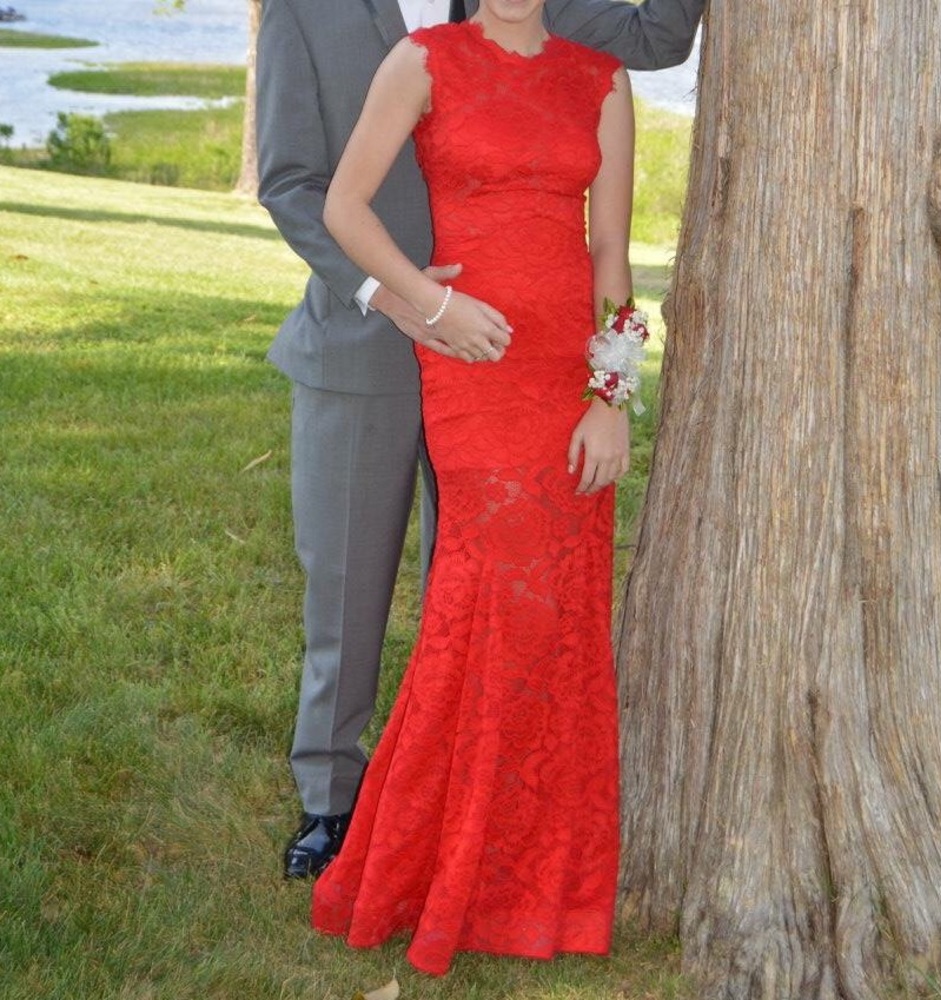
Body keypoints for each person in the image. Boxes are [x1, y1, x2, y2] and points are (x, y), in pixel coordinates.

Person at [256, 0, 704, 881]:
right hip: (370, 335)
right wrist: (401, 298)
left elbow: (654, 41)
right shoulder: (307, 10)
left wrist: (610, 385)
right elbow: (293, 182)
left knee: (477, 595)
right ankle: (332, 800)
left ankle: (456, 797)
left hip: (514, 365)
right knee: (346, 586)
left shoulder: (536, 8)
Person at [310, 0, 641, 974]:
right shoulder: (424, 59)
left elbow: (611, 252)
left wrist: (609, 395)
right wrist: (429, 300)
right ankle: (431, 869)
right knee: (484, 603)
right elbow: (342, 207)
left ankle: (545, 883)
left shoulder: (601, 80)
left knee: (560, 619)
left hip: (562, 387)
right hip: (472, 364)